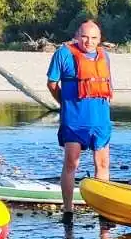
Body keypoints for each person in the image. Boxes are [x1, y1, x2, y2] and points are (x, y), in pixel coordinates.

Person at [46, 20, 113, 220]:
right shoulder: (63, 54)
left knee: (102, 165)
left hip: (100, 120)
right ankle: (68, 210)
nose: (88, 41)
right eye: (85, 36)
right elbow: (52, 84)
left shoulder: (105, 56)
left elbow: (108, 85)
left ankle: (104, 210)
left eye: (93, 38)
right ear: (77, 35)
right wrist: (64, 103)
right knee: (71, 164)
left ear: (100, 39)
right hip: (74, 120)